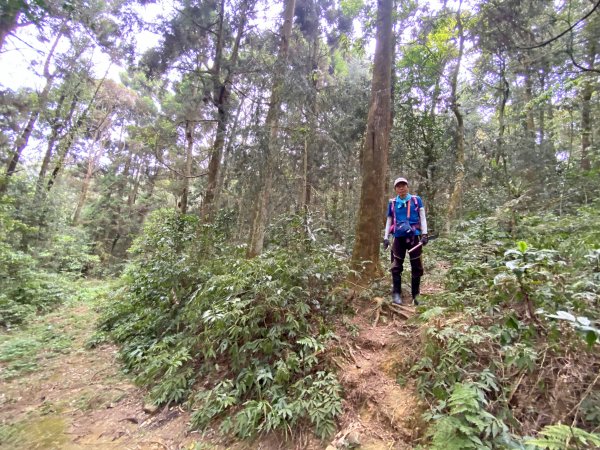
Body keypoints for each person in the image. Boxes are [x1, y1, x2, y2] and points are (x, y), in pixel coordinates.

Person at [382, 177, 428, 305]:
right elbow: (389, 220)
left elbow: (422, 218)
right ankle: (396, 294)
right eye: (398, 186)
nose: (401, 188)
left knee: (416, 265)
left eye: (403, 185)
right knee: (396, 265)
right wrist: (386, 238)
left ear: (407, 187)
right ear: (395, 189)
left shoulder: (416, 200)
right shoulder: (392, 202)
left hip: (414, 236)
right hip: (398, 237)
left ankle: (416, 296)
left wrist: (425, 234)